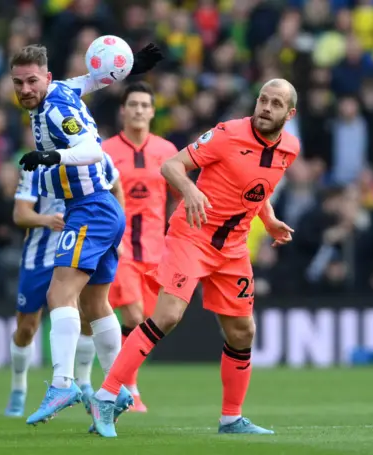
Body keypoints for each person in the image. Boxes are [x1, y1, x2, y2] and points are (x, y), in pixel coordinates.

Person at [89, 79, 301, 437]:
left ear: (289, 114)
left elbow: (256, 188)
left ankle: (231, 418)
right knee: (167, 316)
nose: (265, 107)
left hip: (232, 248)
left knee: (242, 331)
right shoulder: (227, 133)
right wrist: (189, 189)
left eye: (276, 103)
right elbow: (171, 165)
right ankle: (105, 396)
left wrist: (270, 219)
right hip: (193, 234)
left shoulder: (289, 148)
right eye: (263, 99)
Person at [9, 43, 163, 426]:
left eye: (31, 81)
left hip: (89, 208)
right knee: (96, 305)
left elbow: (91, 150)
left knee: (59, 293)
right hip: (105, 209)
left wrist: (50, 157)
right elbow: (89, 80)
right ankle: (117, 388)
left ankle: (63, 384)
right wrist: (130, 69)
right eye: (18, 82)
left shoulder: (56, 108)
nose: (25, 89)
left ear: (45, 78)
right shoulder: (61, 89)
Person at [5, 152, 123, 418]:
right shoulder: (36, 165)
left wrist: (118, 232)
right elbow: (20, 213)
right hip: (40, 256)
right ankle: (18, 386)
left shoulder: (98, 156)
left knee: (88, 314)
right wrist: (47, 220)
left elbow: (116, 187)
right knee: (26, 328)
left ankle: (82, 382)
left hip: (82, 247)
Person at [97, 81, 178, 412]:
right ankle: (128, 387)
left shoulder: (167, 150)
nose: (139, 110)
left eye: (145, 105)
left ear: (153, 111)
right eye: (133, 104)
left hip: (156, 251)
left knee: (144, 321)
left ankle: (109, 383)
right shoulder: (106, 152)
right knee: (131, 312)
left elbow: (180, 196)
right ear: (123, 110)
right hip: (121, 248)